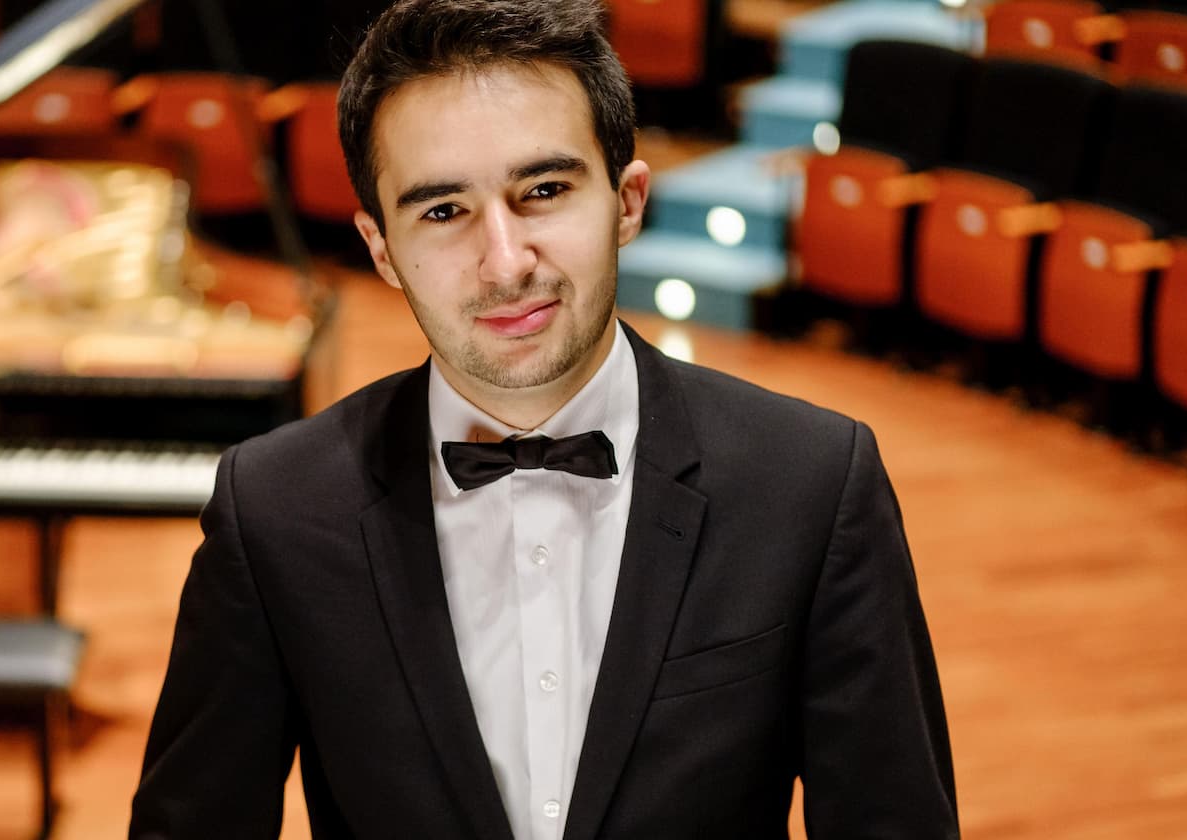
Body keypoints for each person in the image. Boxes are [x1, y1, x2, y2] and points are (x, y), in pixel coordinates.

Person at [129, 0, 957, 837]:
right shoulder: (273, 509)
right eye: (442, 211)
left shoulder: (811, 483)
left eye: (545, 190)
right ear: (381, 247)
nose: (505, 261)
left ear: (627, 202)